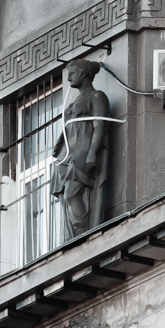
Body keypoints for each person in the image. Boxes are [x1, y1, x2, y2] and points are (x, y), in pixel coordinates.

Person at [52, 59, 110, 240]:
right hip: (67, 154)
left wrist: (93, 152)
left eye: (72, 73)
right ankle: (73, 238)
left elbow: (100, 125)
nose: (68, 78)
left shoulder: (97, 96)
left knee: (71, 194)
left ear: (83, 73)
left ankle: (84, 234)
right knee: (65, 197)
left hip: (82, 151)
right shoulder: (75, 101)